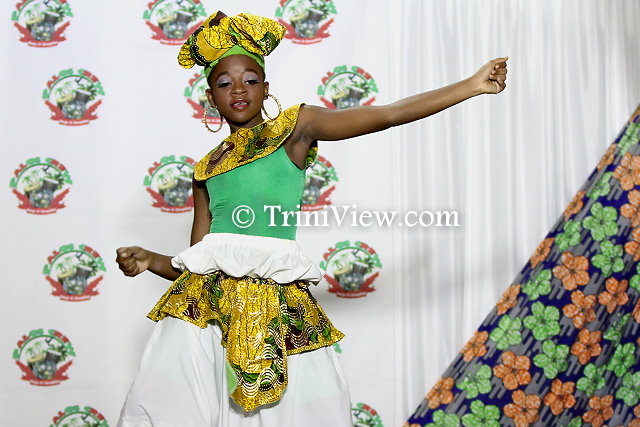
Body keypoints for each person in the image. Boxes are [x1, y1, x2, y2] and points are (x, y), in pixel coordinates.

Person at [115, 10, 508, 427]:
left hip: (278, 309)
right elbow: (196, 266)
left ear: (266, 88)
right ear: (210, 97)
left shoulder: (295, 129)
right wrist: (150, 260)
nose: (239, 90)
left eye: (250, 80)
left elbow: (388, 114)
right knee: (176, 407)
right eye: (225, 83)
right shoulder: (206, 169)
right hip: (207, 317)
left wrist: (470, 85)